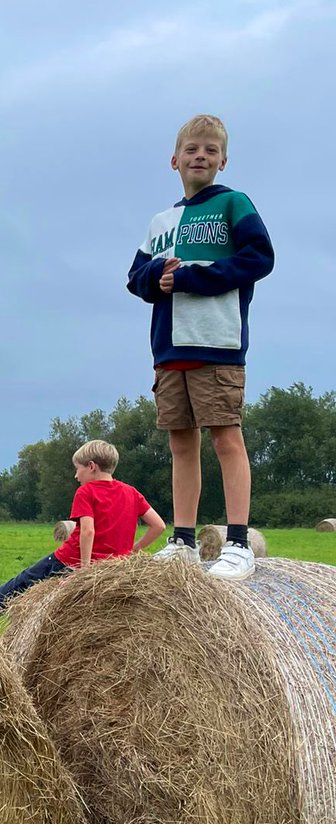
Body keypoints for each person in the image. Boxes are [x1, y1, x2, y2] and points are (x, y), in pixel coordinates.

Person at [127, 114, 274, 581]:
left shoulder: (234, 204)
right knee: (180, 444)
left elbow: (260, 257)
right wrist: (158, 277)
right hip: (169, 348)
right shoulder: (161, 221)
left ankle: (237, 542)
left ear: (223, 160)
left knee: (226, 438)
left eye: (211, 150)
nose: (201, 156)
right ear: (175, 159)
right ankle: (184, 540)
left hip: (217, 343)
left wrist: (192, 276)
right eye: (193, 149)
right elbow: (136, 278)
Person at [0, 440, 165, 618]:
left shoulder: (86, 491)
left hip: (69, 560)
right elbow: (159, 526)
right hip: (112, 568)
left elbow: (88, 531)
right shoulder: (131, 492)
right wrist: (133, 551)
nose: (76, 475)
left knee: (23, 582)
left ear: (92, 466)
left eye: (77, 469)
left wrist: (84, 572)